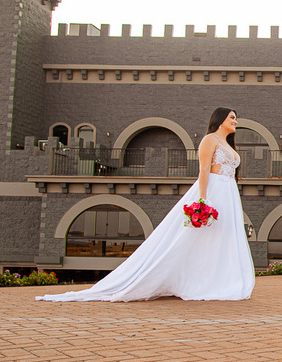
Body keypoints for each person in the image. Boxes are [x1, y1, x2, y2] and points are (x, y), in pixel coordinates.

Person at [38, 107, 256, 302]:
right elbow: (204, 170)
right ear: (220, 120)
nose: (235, 121)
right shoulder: (210, 140)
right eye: (232, 117)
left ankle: (219, 279)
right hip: (214, 190)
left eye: (236, 118)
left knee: (223, 236)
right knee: (195, 236)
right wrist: (203, 199)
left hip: (229, 193)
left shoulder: (227, 144)